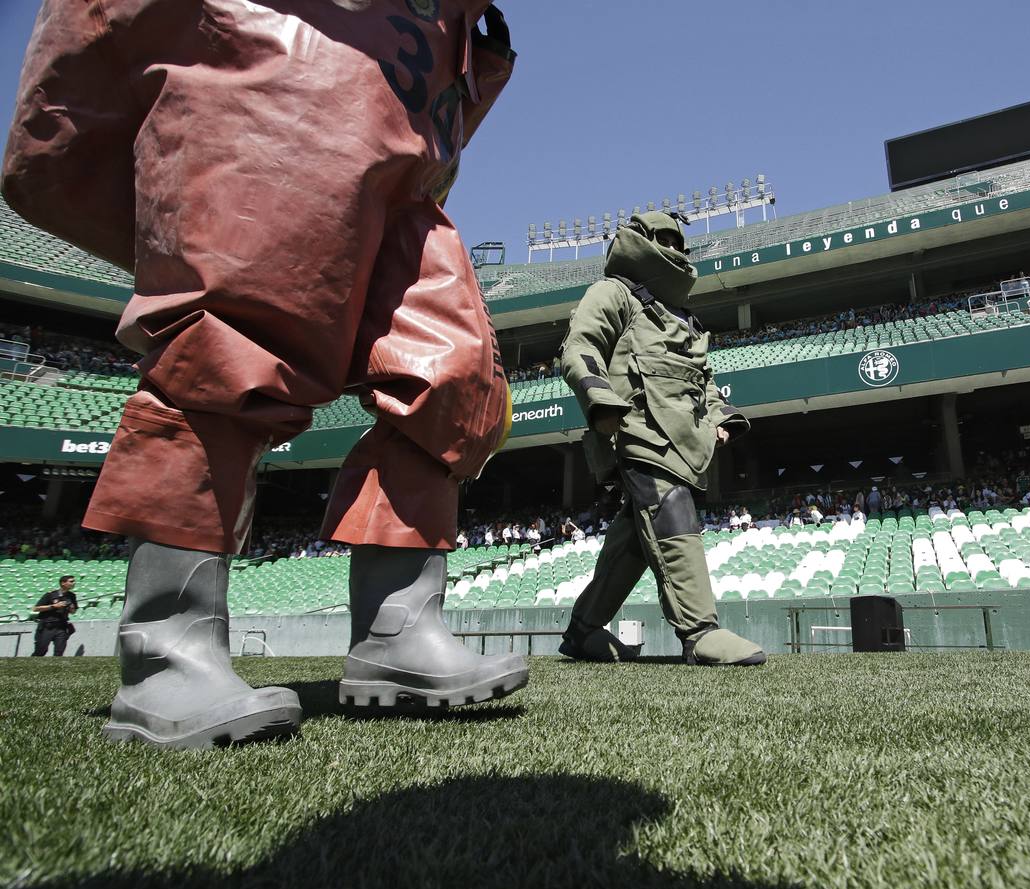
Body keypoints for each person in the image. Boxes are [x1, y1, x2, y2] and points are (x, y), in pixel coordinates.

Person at [3, 0, 526, 749]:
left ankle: (398, 630)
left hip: (411, 119)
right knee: (236, 330)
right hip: (283, 49)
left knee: (450, 371)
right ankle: (167, 649)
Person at [557, 211, 763, 666]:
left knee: (633, 541)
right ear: (641, 240)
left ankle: (582, 631)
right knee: (671, 515)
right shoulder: (613, 293)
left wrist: (719, 416)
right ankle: (700, 632)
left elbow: (703, 380)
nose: (674, 246)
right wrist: (599, 399)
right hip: (638, 433)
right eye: (663, 238)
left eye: (679, 240)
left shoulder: (683, 317)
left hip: (685, 441)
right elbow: (581, 347)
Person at [32, 575, 78, 657]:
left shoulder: (72, 595)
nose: (74, 583)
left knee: (59, 651)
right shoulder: (51, 594)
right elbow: (36, 608)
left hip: (62, 626)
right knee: (41, 650)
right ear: (63, 583)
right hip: (48, 625)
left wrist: (71, 608)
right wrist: (54, 606)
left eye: (74, 581)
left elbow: (73, 612)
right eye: (71, 581)